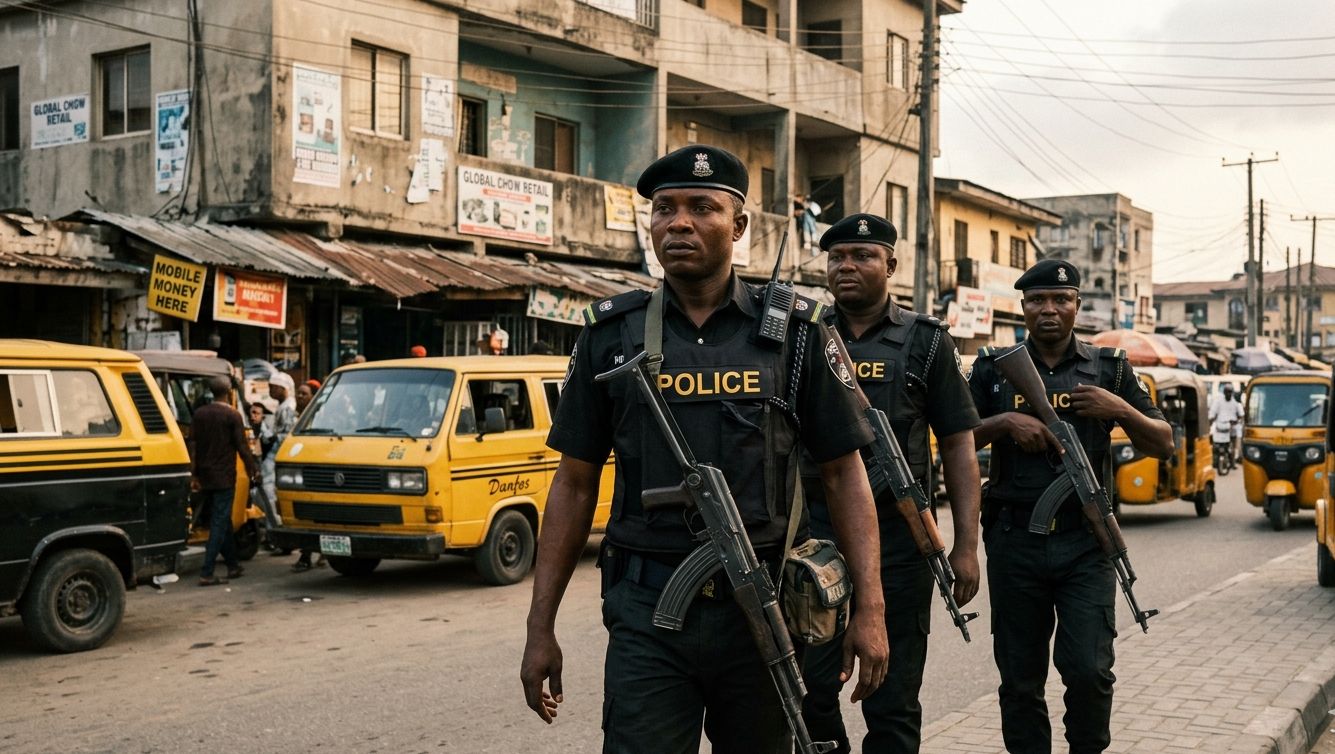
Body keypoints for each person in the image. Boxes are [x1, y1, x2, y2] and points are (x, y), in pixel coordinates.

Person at [520, 145, 889, 753]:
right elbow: (575, 484)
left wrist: (870, 611)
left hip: (764, 604)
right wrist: (540, 628)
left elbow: (845, 473)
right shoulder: (610, 335)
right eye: (664, 209)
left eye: (701, 208)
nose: (679, 223)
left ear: (739, 226)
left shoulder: (796, 333)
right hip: (647, 609)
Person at [968, 259, 1173, 754]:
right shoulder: (994, 367)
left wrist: (1119, 408)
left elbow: (1164, 442)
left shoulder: (1111, 368)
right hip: (1015, 540)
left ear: (1077, 306)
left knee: (1089, 671)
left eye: (1061, 300)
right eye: (1038, 300)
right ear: (1023, 307)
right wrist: (1005, 425)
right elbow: (956, 436)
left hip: (1086, 543)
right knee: (1020, 679)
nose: (1049, 309)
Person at [800, 213, 983, 754]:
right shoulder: (803, 334)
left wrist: (966, 546)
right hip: (812, 544)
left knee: (893, 703)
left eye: (863, 256)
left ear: (891, 265)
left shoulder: (926, 342)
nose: (847, 266)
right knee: (809, 695)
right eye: (837, 257)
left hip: (900, 545)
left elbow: (959, 445)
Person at [189, 375, 258, 586]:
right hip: (224, 476)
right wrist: (253, 469)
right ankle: (207, 571)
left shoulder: (199, 414)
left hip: (205, 475)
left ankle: (232, 564)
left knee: (223, 518)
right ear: (229, 392)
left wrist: (194, 474)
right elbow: (242, 447)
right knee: (219, 523)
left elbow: (193, 446)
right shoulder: (232, 415)